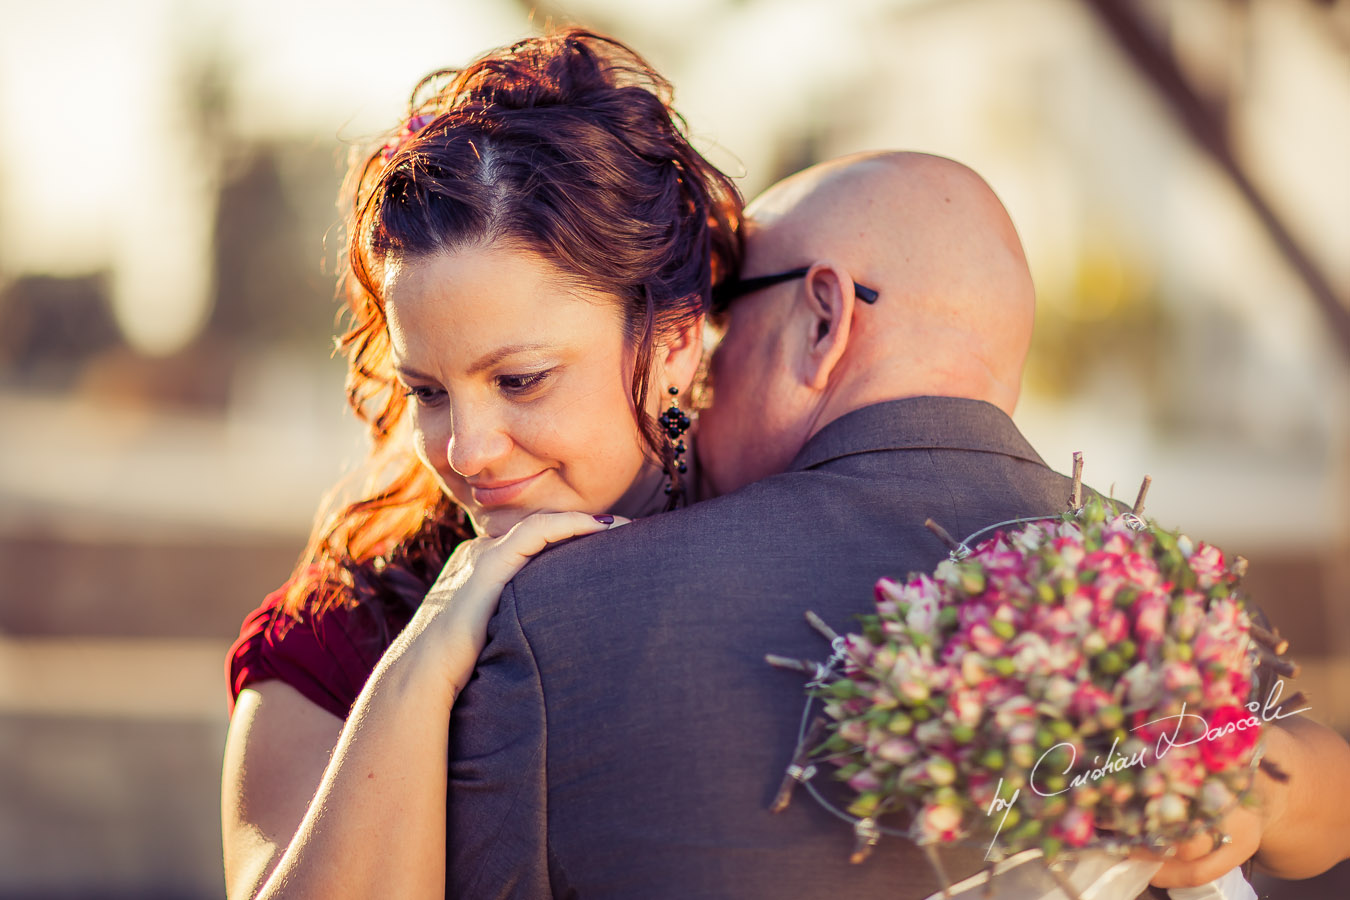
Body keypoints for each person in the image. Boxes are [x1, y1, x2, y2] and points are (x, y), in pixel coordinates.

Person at [440, 150, 1350, 899]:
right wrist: (1255, 785)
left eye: (722, 315)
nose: (700, 369)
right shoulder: (1160, 592)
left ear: (824, 318)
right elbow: (1325, 812)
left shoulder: (556, 614)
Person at [221, 28, 741, 899]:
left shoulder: (790, 553)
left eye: (520, 379)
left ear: (676, 343)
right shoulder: (329, 641)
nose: (465, 452)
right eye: (428, 391)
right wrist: (422, 668)